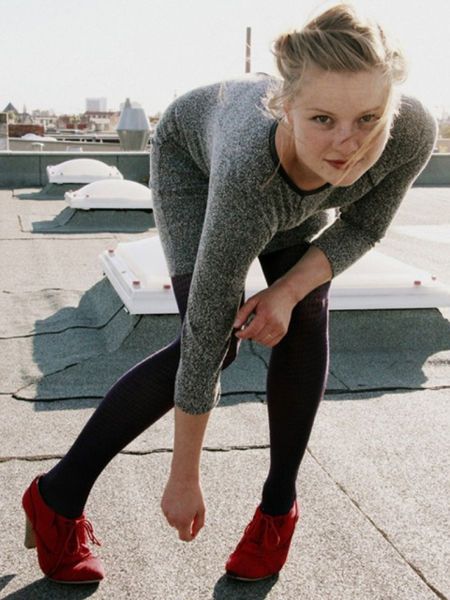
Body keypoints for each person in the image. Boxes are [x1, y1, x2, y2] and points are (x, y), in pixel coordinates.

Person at [22, 2, 436, 584]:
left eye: (369, 118)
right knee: (216, 344)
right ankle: (57, 497)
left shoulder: (411, 130)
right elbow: (204, 332)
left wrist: (286, 293)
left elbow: (364, 225)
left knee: (305, 308)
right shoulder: (246, 172)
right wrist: (183, 475)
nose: (348, 144)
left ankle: (278, 510)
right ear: (286, 107)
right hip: (197, 164)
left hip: (284, 189)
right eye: (323, 118)